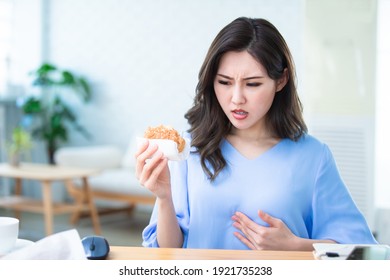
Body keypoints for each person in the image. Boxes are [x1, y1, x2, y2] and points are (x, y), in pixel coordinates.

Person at [135, 17, 377, 250]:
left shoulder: (314, 156)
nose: (237, 98)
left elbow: (358, 249)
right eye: (224, 82)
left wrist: (296, 246)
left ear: (281, 80)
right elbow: (167, 251)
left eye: (252, 84)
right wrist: (165, 198)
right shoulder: (189, 149)